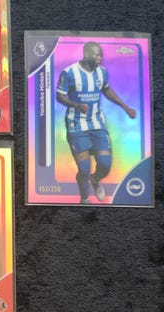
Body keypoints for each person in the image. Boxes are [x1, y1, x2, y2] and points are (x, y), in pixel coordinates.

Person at [56, 41, 136, 204]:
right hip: (76, 124)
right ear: (86, 55)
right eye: (96, 55)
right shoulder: (69, 72)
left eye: (101, 55)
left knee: (105, 165)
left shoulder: (102, 72)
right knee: (84, 168)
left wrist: (125, 107)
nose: (100, 58)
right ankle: (84, 199)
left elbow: (106, 89)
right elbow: (60, 96)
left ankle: (95, 179)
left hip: (97, 123)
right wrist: (76, 105)